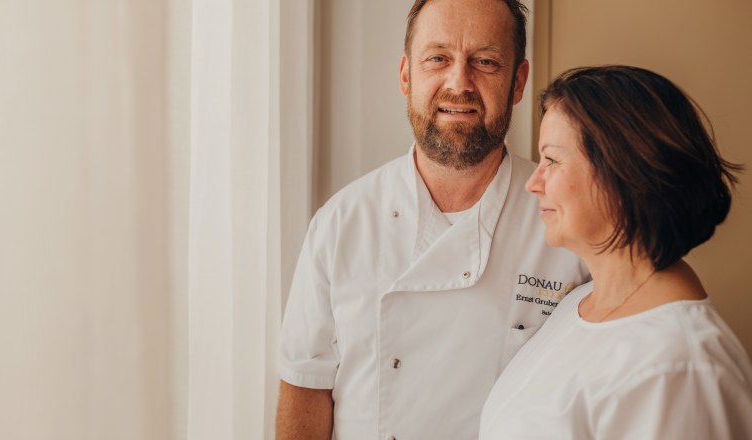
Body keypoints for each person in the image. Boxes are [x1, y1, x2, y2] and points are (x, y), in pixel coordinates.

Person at [276, 1, 590, 439]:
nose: (459, 82)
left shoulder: (569, 223)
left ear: (518, 81)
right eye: (437, 58)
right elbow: (305, 388)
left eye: (485, 61)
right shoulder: (341, 223)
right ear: (406, 75)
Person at [479, 65, 752, 439]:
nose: (533, 183)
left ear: (624, 173)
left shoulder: (680, 368)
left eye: (553, 161)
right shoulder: (579, 304)